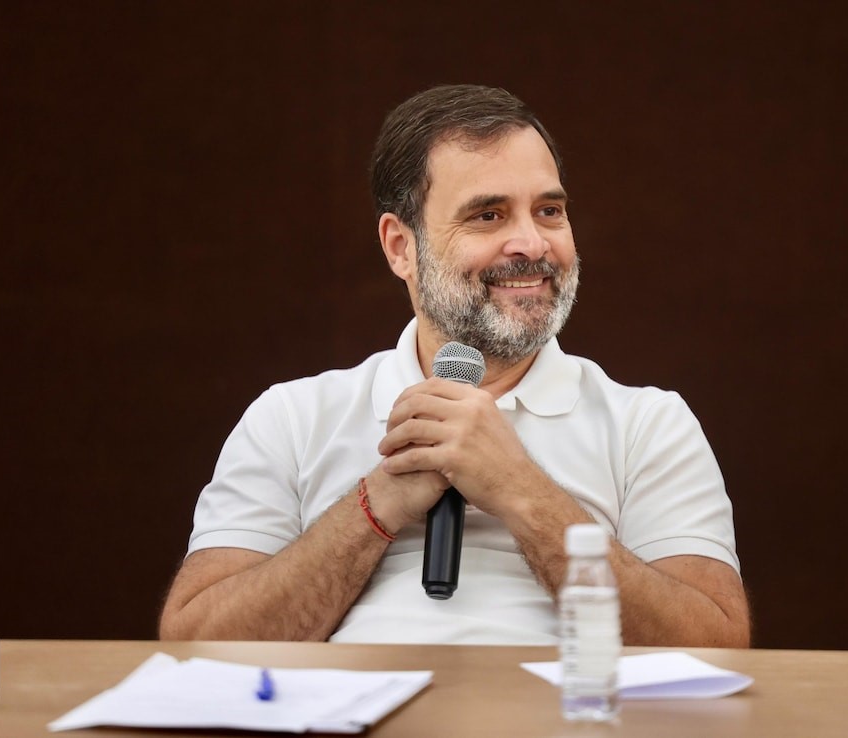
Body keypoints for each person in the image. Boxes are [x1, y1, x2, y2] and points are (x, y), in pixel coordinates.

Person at [159, 84, 750, 647]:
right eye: (488, 215)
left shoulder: (649, 423)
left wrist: (519, 489)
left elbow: (715, 645)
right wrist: (378, 502)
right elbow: (197, 645)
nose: (532, 244)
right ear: (401, 247)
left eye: (549, 211)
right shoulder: (292, 416)